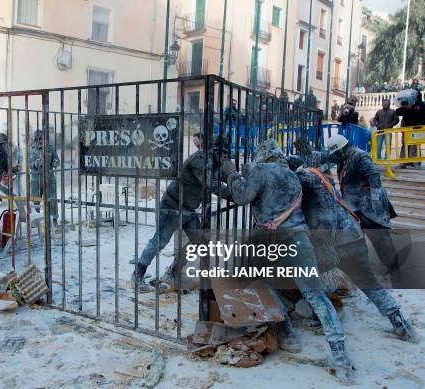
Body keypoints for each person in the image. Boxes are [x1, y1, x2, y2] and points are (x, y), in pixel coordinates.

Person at [221, 140, 355, 384]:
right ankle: (340, 355)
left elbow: (241, 196)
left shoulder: (262, 171)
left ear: (263, 156)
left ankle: (287, 333)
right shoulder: (293, 177)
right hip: (299, 238)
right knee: (316, 296)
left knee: (259, 282)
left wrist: (231, 172)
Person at [287, 155, 419, 343]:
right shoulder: (320, 176)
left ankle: (322, 323)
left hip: (335, 241)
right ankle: (401, 324)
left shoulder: (304, 178)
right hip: (353, 237)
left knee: (318, 285)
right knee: (369, 283)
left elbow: (318, 214)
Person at [131, 143, 228, 293]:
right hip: (172, 206)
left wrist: (235, 178)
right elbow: (211, 184)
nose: (225, 158)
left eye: (227, 155)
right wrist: (235, 195)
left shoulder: (215, 163)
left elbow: (224, 177)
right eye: (223, 154)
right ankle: (138, 274)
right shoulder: (200, 159)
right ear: (214, 151)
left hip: (190, 209)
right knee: (160, 241)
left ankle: (172, 272)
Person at [326, 134, 401, 284]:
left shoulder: (360, 156)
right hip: (355, 206)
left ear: (341, 149)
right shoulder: (345, 159)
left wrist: (375, 205)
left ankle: (395, 271)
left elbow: (374, 178)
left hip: (370, 207)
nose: (335, 156)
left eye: (336, 153)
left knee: (381, 239)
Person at [29, 129, 60, 226]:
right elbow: (29, 165)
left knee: (52, 199)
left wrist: (55, 162)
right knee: (36, 200)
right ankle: (35, 220)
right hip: (36, 179)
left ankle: (53, 220)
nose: (40, 141)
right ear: (35, 140)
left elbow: (56, 160)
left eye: (42, 138)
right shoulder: (31, 149)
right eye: (38, 139)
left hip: (49, 178)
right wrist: (36, 163)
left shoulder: (50, 148)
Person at [396, 89, 425, 168]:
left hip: (417, 129)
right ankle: (403, 162)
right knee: (405, 145)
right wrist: (405, 106)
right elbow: (398, 112)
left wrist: (411, 108)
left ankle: (416, 163)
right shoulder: (407, 104)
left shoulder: (421, 104)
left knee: (415, 145)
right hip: (406, 129)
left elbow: (422, 114)